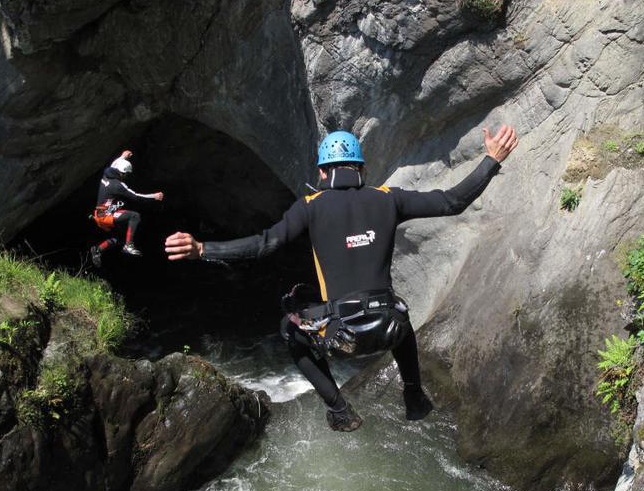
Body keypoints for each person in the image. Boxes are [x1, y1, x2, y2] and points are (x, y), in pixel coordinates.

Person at [164, 124, 519, 431]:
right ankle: (413, 393)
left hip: (341, 333)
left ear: (322, 173)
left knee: (290, 328)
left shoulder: (310, 205)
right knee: (399, 311)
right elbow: (452, 201)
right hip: (388, 327)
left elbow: (264, 244)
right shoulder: (388, 199)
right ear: (360, 168)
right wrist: (492, 160)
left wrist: (202, 249)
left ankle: (339, 409)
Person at [90, 150, 165, 266]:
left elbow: (114, 165)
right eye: (126, 174)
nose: (126, 177)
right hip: (105, 216)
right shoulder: (118, 185)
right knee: (134, 216)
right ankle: (129, 246)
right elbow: (136, 196)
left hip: (99, 213)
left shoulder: (107, 173)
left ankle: (97, 250)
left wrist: (122, 157)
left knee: (120, 237)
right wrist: (154, 196)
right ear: (122, 173)